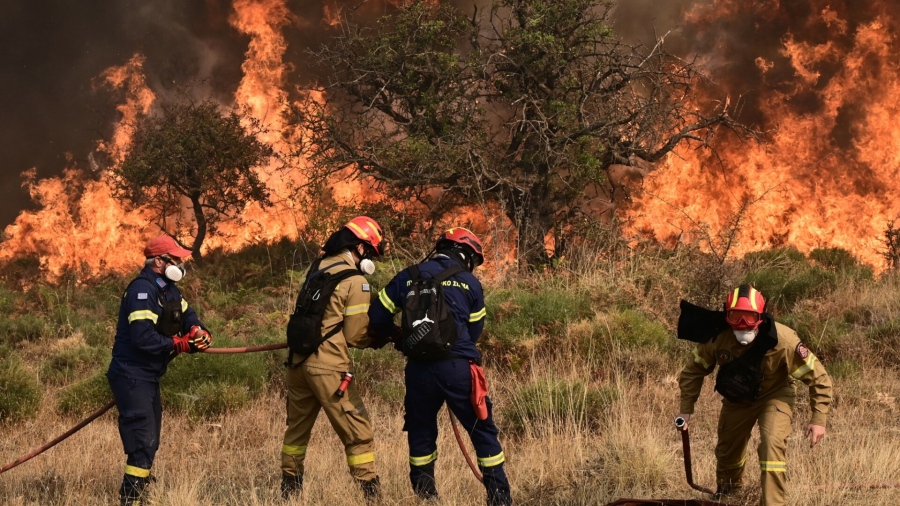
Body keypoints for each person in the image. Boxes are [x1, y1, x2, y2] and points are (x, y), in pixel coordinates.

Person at [368, 227, 513, 506]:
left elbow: (376, 317)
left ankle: (426, 498)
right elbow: (474, 332)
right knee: (482, 431)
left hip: (419, 371)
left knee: (421, 432)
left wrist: (399, 338)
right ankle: (499, 499)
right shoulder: (469, 282)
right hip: (458, 369)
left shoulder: (407, 276)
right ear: (468, 255)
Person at [676, 284, 833, 506]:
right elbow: (694, 370)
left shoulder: (784, 341)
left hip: (775, 394)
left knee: (771, 444)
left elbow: (819, 378)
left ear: (760, 316)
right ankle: (729, 492)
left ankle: (772, 503)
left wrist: (818, 419)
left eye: (749, 317)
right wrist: (686, 409)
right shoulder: (718, 338)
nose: (742, 323)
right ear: (726, 315)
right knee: (727, 450)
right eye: (735, 316)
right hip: (737, 398)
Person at [280, 216, 384, 502]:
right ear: (361, 249)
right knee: (357, 430)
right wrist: (380, 339)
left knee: (297, 432)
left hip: (298, 364)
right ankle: (371, 492)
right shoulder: (356, 282)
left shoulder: (317, 269)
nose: (372, 258)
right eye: (372, 252)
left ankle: (289, 491)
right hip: (328, 368)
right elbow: (354, 335)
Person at [107, 235, 212, 506]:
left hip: (148, 376)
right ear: (158, 262)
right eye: (174, 259)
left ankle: (141, 490)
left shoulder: (167, 289)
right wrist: (178, 344)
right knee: (142, 441)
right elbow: (143, 338)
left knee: (151, 441)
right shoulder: (143, 291)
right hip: (132, 376)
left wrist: (197, 330)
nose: (179, 263)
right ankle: (131, 498)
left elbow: (186, 313)